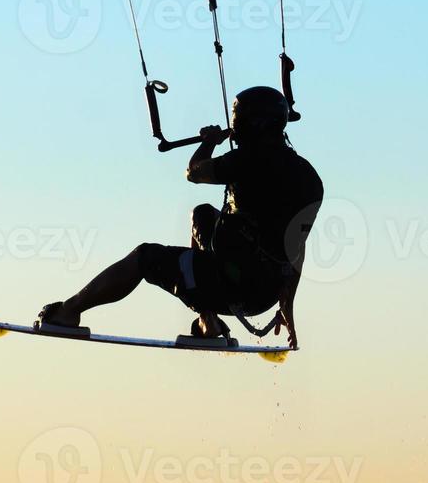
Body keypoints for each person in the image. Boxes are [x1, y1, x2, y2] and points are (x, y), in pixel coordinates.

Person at [39, 86, 323, 347]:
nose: (234, 128)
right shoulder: (308, 177)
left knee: (144, 258)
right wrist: (287, 303)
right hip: (265, 291)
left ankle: (68, 311)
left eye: (237, 120)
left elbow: (195, 172)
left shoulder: (247, 161)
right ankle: (208, 321)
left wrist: (209, 142)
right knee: (202, 215)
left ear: (251, 123)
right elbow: (295, 246)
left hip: (231, 283)